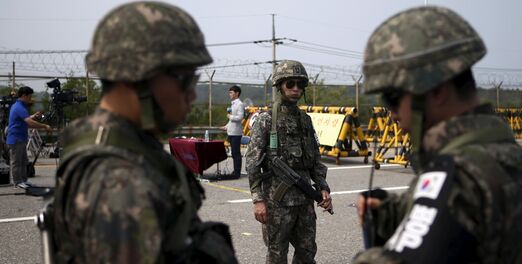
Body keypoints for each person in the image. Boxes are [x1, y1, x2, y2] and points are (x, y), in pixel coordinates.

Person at [353, 6, 522, 264]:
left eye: (393, 97)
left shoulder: (457, 174)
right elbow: (461, 224)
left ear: (435, 90)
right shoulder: (512, 158)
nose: (391, 113)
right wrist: (391, 210)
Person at [51, 2, 237, 263]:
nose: (192, 94)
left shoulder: (117, 145)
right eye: (185, 81)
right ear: (137, 79)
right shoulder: (119, 182)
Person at [246, 60, 332, 264]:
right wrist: (258, 200)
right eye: (290, 83)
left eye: (300, 84)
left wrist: (323, 187)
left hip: (305, 199)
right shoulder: (266, 121)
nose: (296, 88)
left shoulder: (305, 120)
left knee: (307, 250)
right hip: (277, 202)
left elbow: (315, 160)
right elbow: (252, 162)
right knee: (277, 253)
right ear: (280, 86)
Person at [7, 86, 51, 189]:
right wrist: (44, 126)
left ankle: (23, 181)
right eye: (29, 96)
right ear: (23, 96)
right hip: (16, 138)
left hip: (20, 138)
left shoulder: (19, 106)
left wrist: (33, 116)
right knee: (16, 162)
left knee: (23, 162)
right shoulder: (19, 107)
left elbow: (25, 119)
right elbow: (29, 123)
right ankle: (17, 182)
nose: (30, 99)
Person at [221, 85, 244, 178]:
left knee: (236, 153)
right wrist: (226, 126)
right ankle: (235, 171)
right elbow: (231, 120)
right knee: (233, 153)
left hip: (236, 133)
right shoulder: (233, 103)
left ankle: (237, 173)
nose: (229, 94)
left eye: (231, 92)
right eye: (229, 92)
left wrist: (230, 116)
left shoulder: (240, 104)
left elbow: (240, 117)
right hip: (231, 132)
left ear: (237, 93)